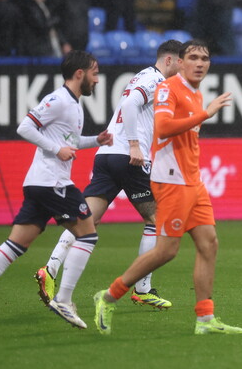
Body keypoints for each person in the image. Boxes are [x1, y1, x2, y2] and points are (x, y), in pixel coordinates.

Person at [92, 40, 242, 335]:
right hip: (171, 180)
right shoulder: (167, 88)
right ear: (180, 62)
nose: (200, 63)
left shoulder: (194, 93)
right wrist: (205, 114)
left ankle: (205, 319)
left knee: (209, 243)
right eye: (194, 58)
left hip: (192, 180)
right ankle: (108, 296)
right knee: (166, 251)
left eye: (205, 58)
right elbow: (163, 127)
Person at [0, 50, 113, 333]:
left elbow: (69, 140)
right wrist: (56, 149)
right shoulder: (58, 100)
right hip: (52, 183)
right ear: (79, 73)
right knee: (88, 233)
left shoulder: (73, 104)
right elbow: (25, 127)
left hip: (39, 183)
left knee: (16, 244)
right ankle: (64, 299)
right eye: (94, 72)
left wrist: (96, 140)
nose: (97, 79)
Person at [36, 40, 183, 312]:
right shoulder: (154, 79)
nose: (183, 70)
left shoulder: (143, 76)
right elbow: (129, 106)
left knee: (87, 220)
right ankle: (143, 289)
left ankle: (51, 268)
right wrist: (135, 144)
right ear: (170, 60)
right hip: (128, 156)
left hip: (106, 156)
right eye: (182, 63)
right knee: (157, 219)